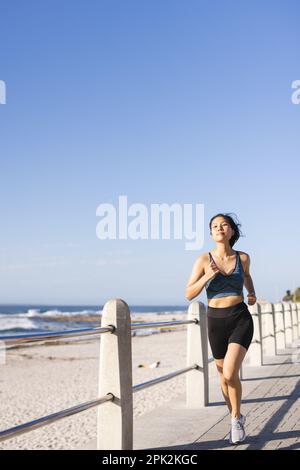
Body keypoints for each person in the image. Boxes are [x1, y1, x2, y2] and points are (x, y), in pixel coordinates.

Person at [185, 213, 256, 445]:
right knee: (223, 379)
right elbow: (188, 294)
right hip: (215, 321)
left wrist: (252, 292)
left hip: (239, 318)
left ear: (232, 231)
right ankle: (235, 417)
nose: (219, 228)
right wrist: (207, 276)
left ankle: (236, 419)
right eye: (215, 226)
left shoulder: (243, 257)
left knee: (229, 373)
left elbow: (246, 276)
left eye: (224, 225)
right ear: (211, 233)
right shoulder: (203, 260)